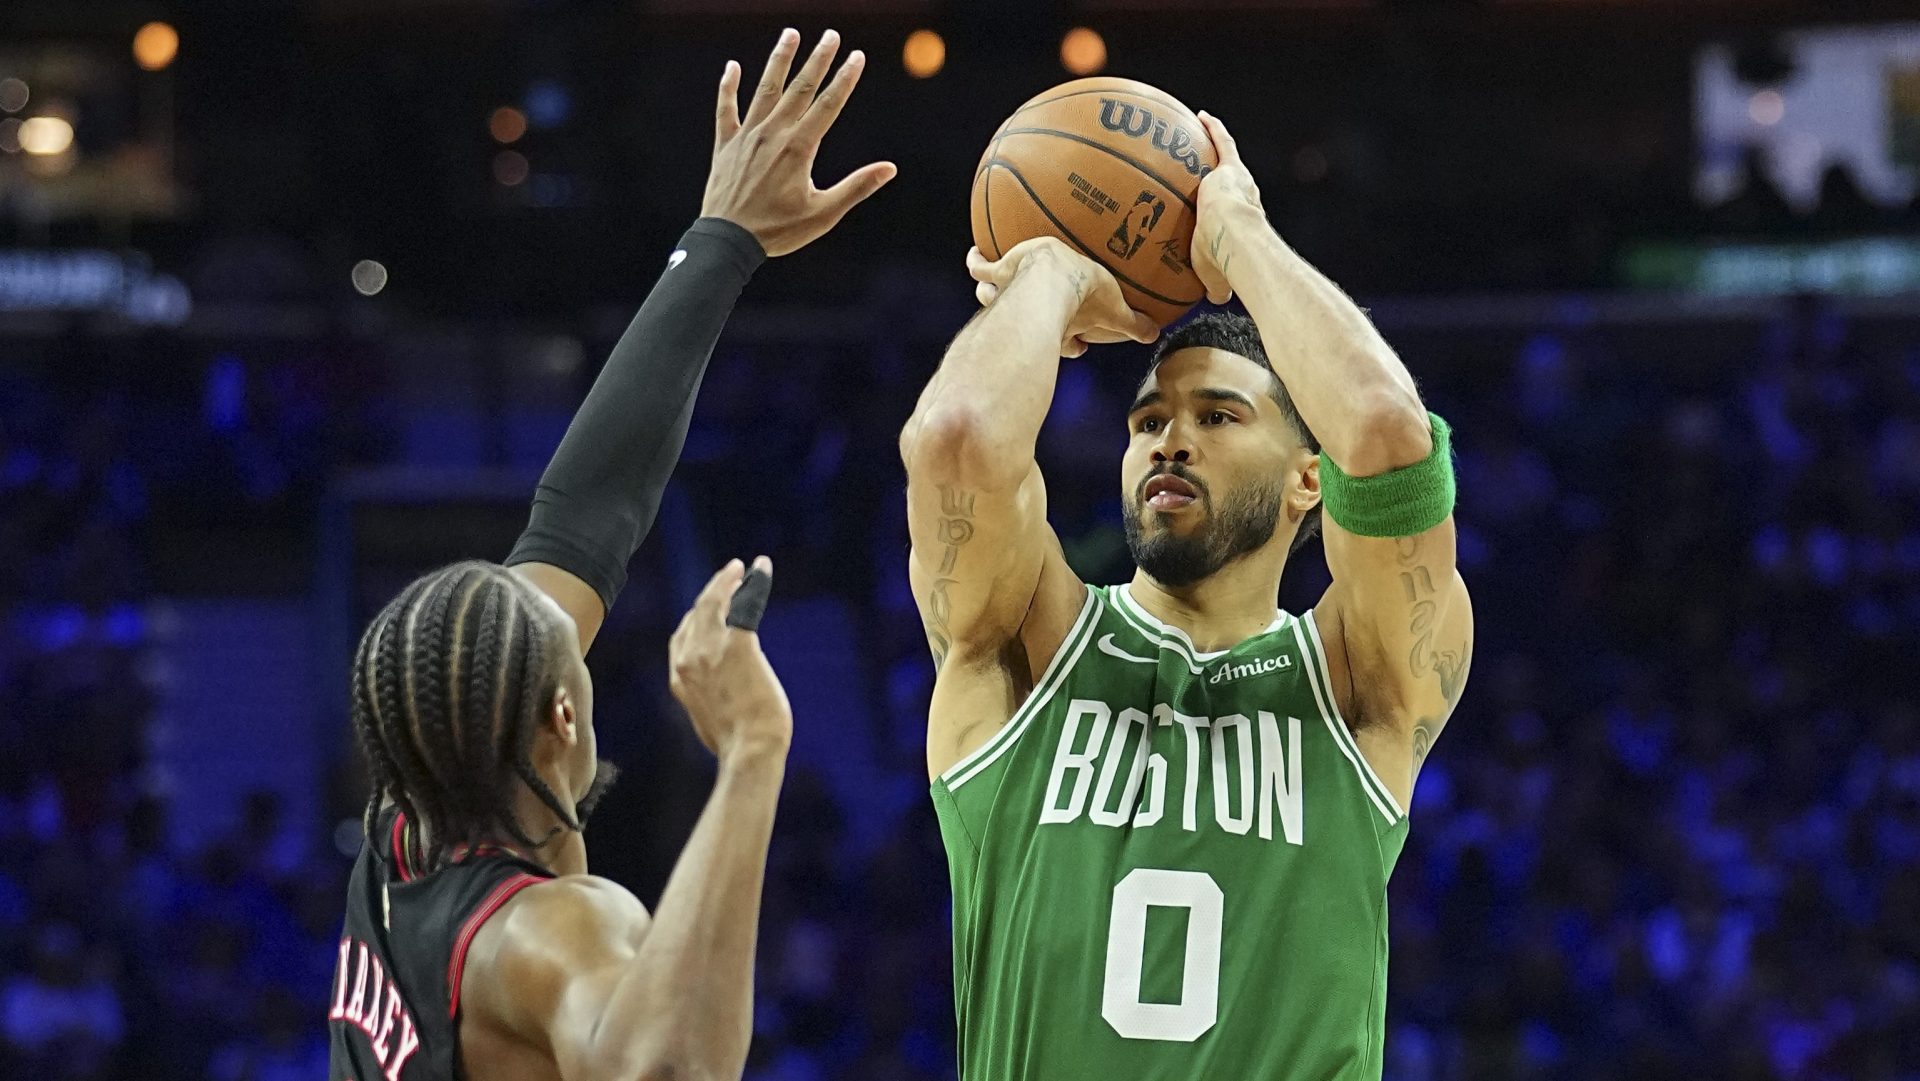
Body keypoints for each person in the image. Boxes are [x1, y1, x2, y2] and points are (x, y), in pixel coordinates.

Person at [326, 28, 895, 1081]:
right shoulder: (551, 936)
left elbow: (585, 513)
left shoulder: (402, 836)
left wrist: (722, 240)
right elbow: (670, 1070)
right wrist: (754, 752)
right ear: (562, 714)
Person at [899, 110, 1471, 1079]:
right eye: (1149, 418)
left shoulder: (1354, 679)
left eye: (1217, 415)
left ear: (1308, 481)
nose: (1169, 439)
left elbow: (1381, 431)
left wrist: (1236, 233)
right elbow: (956, 438)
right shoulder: (1031, 641)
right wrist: (1051, 273)